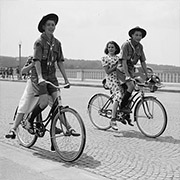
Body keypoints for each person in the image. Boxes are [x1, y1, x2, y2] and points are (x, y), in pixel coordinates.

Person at [27, 13, 79, 141]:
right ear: (44, 27)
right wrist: (39, 77)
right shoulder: (39, 42)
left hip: (51, 76)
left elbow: (60, 62)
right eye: (49, 25)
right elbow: (37, 61)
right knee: (44, 102)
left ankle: (67, 126)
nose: (51, 27)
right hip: (40, 75)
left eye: (53, 25)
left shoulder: (57, 43)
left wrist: (66, 79)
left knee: (57, 103)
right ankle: (29, 120)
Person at [117, 26, 149, 117]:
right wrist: (127, 75)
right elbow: (123, 61)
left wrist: (147, 75)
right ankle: (121, 107)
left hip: (131, 69)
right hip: (122, 69)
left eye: (140, 35)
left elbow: (143, 61)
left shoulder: (140, 47)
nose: (139, 37)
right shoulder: (126, 45)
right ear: (132, 35)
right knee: (130, 86)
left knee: (131, 91)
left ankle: (125, 114)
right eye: (136, 35)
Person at [5, 56, 39, 139]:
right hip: (33, 83)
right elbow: (23, 70)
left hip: (44, 84)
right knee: (25, 104)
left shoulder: (49, 57)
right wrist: (32, 64)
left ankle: (57, 125)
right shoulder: (32, 58)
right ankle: (14, 128)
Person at [101, 41, 127, 131]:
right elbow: (107, 71)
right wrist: (115, 66)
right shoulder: (105, 58)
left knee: (126, 95)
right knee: (118, 96)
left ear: (116, 48)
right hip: (111, 80)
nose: (110, 49)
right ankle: (113, 119)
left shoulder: (118, 58)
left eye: (112, 47)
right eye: (109, 47)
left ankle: (121, 114)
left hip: (120, 79)